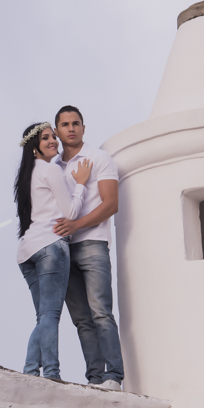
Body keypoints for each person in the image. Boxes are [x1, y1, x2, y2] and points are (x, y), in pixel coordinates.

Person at [51, 105, 124, 390]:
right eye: (65, 124)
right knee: (81, 319)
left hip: (92, 244)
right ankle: (95, 379)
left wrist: (76, 226)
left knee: (101, 312)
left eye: (76, 123)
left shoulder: (99, 158)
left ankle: (114, 376)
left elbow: (111, 204)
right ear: (57, 130)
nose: (71, 128)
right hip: (63, 250)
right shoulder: (53, 166)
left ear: (83, 127)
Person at [14, 121, 92, 382]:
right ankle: (51, 373)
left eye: (53, 138)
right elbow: (70, 213)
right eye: (46, 138)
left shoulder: (26, 175)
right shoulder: (49, 170)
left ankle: (29, 370)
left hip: (27, 252)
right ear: (34, 146)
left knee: (43, 316)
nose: (53, 142)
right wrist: (81, 184)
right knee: (50, 315)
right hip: (50, 246)